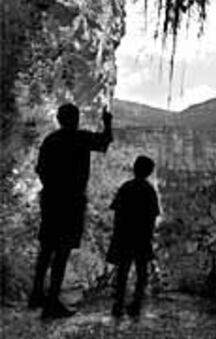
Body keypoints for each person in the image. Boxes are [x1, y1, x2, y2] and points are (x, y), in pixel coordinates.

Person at [28, 103, 113, 319]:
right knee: (62, 251)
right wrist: (108, 123)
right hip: (72, 202)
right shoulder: (81, 138)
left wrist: (52, 187)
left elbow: (41, 170)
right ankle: (52, 302)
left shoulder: (50, 140)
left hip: (51, 199)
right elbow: (104, 142)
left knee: (46, 247)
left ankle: (36, 294)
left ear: (58, 118)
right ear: (75, 119)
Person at [107, 155, 160, 318]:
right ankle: (136, 303)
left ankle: (118, 303)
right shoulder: (149, 191)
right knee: (141, 271)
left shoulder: (126, 187)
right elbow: (152, 216)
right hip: (141, 237)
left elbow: (117, 212)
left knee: (122, 270)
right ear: (150, 172)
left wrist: (116, 235)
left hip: (124, 235)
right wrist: (149, 237)